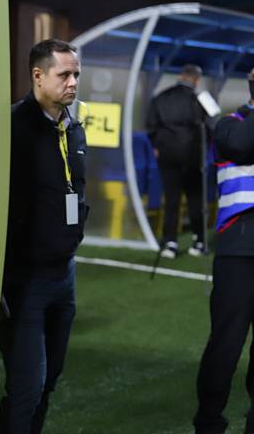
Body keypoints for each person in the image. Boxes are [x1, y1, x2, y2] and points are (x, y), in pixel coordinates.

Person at [0, 38, 87, 434]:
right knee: (27, 388)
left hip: (64, 276)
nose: (73, 83)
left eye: (76, 75)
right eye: (64, 74)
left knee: (49, 382)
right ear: (37, 75)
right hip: (24, 281)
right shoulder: (13, 127)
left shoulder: (74, 126)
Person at [193, 70, 254, 434]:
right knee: (226, 344)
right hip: (239, 249)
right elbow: (245, 145)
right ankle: (209, 420)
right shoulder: (228, 125)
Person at [146, 63, 208, 258]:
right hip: (192, 155)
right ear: (196, 80)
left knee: (171, 199)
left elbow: (150, 126)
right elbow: (213, 125)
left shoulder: (161, 97)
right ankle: (199, 241)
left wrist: (157, 145)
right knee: (195, 198)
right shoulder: (201, 98)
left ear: (181, 76)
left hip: (167, 154)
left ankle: (170, 242)